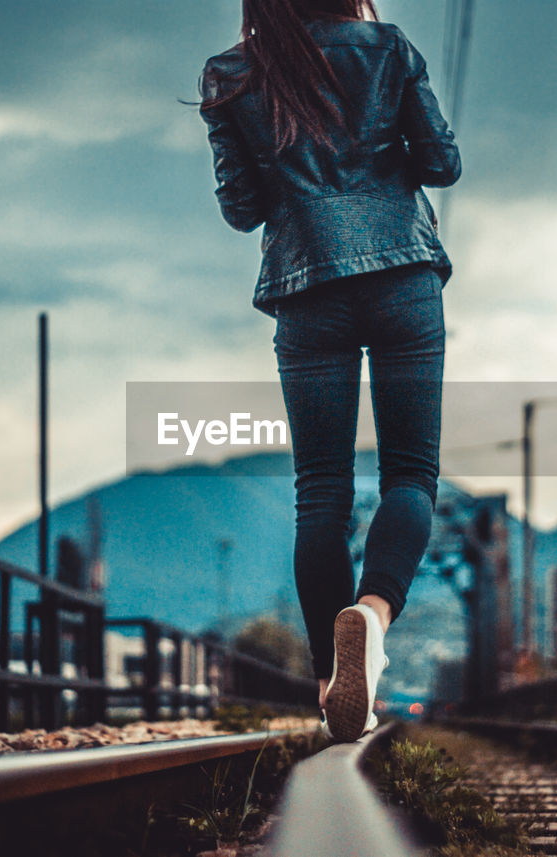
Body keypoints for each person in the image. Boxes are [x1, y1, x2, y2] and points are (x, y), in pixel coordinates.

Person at [198, 0, 460, 742]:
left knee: (321, 495)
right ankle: (371, 620)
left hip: (307, 289)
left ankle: (329, 682)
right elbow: (443, 163)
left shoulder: (230, 74)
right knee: (410, 474)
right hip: (404, 279)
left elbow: (242, 208)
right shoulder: (387, 49)